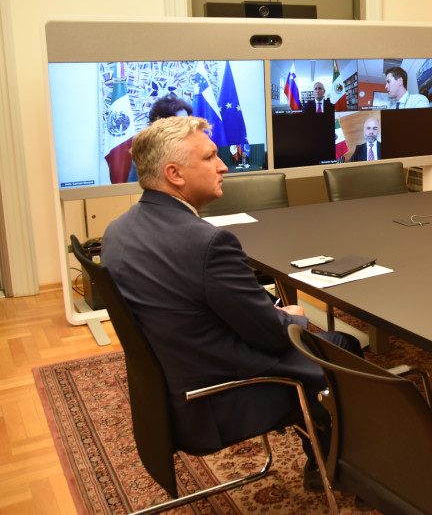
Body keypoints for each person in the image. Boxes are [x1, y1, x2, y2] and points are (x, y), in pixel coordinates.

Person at [102, 116, 362, 491]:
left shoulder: (119, 229)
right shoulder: (207, 244)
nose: (223, 165)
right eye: (210, 158)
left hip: (170, 392)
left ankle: (326, 455)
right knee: (342, 348)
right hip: (216, 399)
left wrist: (270, 312)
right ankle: (341, 468)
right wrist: (291, 317)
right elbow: (273, 336)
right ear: (175, 174)